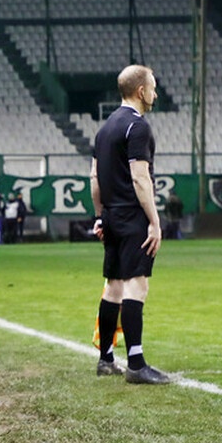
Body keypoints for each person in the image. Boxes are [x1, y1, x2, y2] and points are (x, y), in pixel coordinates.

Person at [90, 64, 171, 385]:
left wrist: (100, 216)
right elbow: (140, 178)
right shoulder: (138, 127)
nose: (155, 94)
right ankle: (136, 364)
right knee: (137, 285)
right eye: (152, 87)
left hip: (111, 215)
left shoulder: (105, 129)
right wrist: (154, 221)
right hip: (132, 216)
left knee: (113, 286)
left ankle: (106, 359)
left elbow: (94, 178)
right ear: (140, 91)